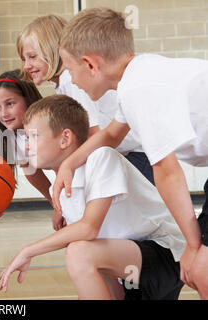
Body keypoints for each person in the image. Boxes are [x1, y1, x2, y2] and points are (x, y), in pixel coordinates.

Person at [52, 7, 208, 298]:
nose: (72, 80)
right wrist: (70, 163)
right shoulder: (138, 75)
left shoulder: (140, 90)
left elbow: (167, 171)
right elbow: (111, 134)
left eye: (70, 70)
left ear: (90, 64)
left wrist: (192, 245)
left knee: (201, 268)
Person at [0, 94, 186, 300]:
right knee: (78, 247)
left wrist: (28, 251)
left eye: (34, 136)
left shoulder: (101, 157)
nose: (26, 145)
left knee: (79, 250)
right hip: (127, 265)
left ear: (65, 139)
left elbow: (89, 227)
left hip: (166, 255)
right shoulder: (58, 188)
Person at [16, 14, 154, 184]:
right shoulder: (63, 82)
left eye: (32, 57)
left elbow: (92, 132)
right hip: (124, 153)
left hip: (136, 156)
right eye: (24, 59)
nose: (26, 66)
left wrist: (69, 165)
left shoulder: (70, 80)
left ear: (52, 49)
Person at [0, 70, 65, 229]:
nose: (3, 113)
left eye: (10, 103)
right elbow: (32, 172)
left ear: (27, 99)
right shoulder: (13, 135)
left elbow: (64, 168)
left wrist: (62, 204)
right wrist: (55, 203)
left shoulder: (49, 125)